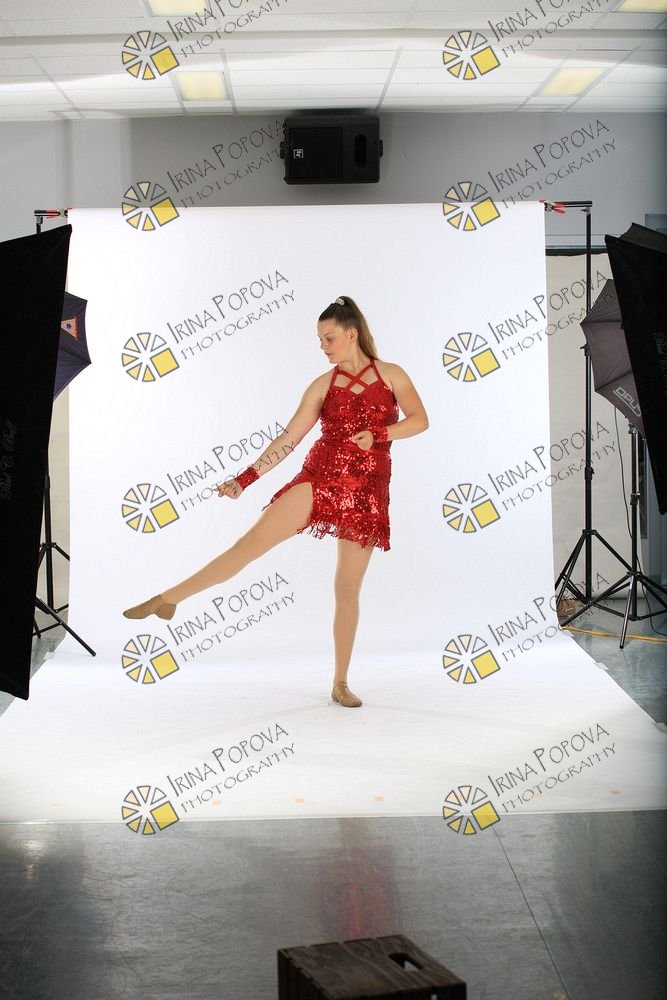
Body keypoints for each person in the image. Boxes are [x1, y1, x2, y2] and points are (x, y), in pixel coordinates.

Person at [123, 296, 429, 708]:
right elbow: (289, 438)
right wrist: (244, 479)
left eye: (329, 338)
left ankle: (340, 683)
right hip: (320, 479)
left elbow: (420, 419)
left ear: (351, 334)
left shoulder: (391, 375)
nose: (323, 346)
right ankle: (167, 599)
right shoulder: (323, 385)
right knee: (248, 546)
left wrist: (380, 435)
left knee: (346, 588)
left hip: (367, 491)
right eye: (320, 340)